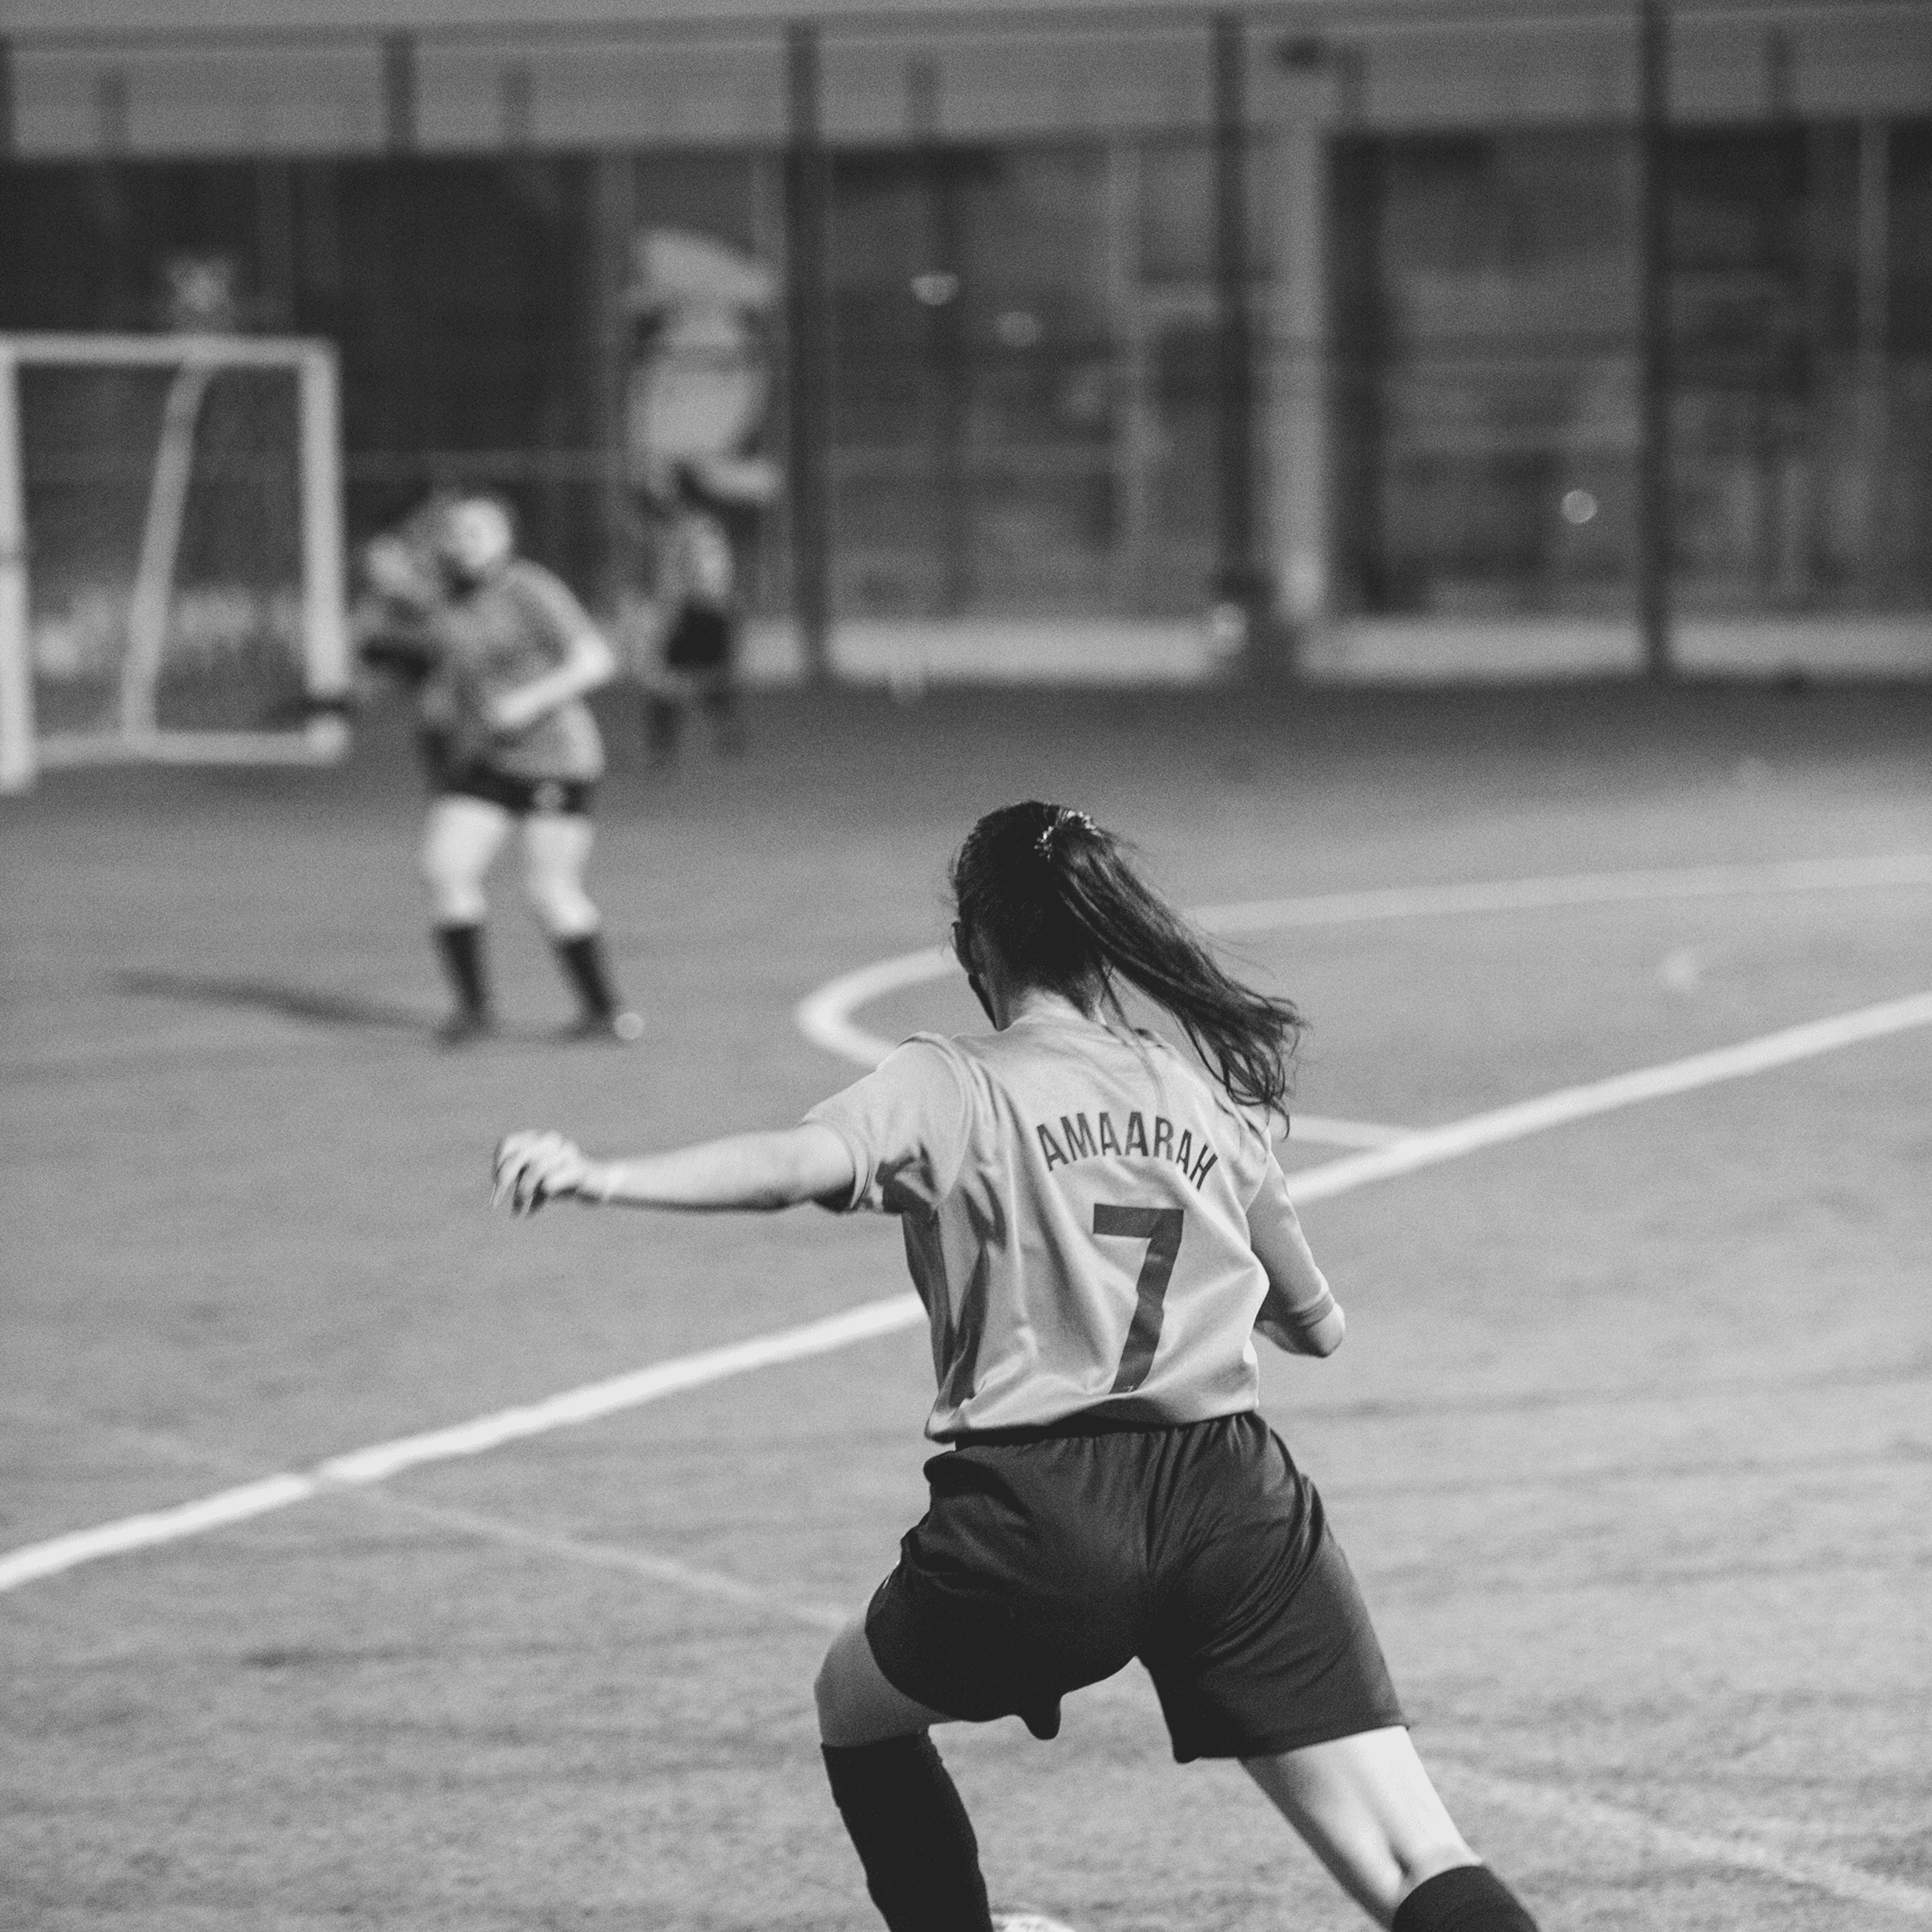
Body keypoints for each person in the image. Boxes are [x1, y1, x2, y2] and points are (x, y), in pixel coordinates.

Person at [490, 801, 1542, 1932]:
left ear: (973, 947)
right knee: (1413, 1852)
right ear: (1108, 940)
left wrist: (606, 1176)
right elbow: (1316, 1329)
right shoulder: (1201, 1099)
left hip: (1042, 1514)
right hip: (1234, 1499)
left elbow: (795, 1165)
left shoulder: (952, 1082)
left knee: (854, 1702)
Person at [417, 494, 641, 1046]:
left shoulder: (530, 589)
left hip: (556, 757)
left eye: (477, 532)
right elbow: (450, 679)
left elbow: (595, 660)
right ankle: (474, 1010)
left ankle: (605, 1012)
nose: (463, 543)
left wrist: (530, 700)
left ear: (504, 539)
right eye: (456, 533)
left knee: (549, 889)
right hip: (487, 757)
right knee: (445, 868)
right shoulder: (446, 602)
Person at [639, 469, 745, 765]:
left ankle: (662, 748)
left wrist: (671, 612)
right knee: (705, 675)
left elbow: (688, 575)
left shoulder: (686, 528)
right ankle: (726, 730)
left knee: (666, 678)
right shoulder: (705, 525)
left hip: (694, 609)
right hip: (713, 609)